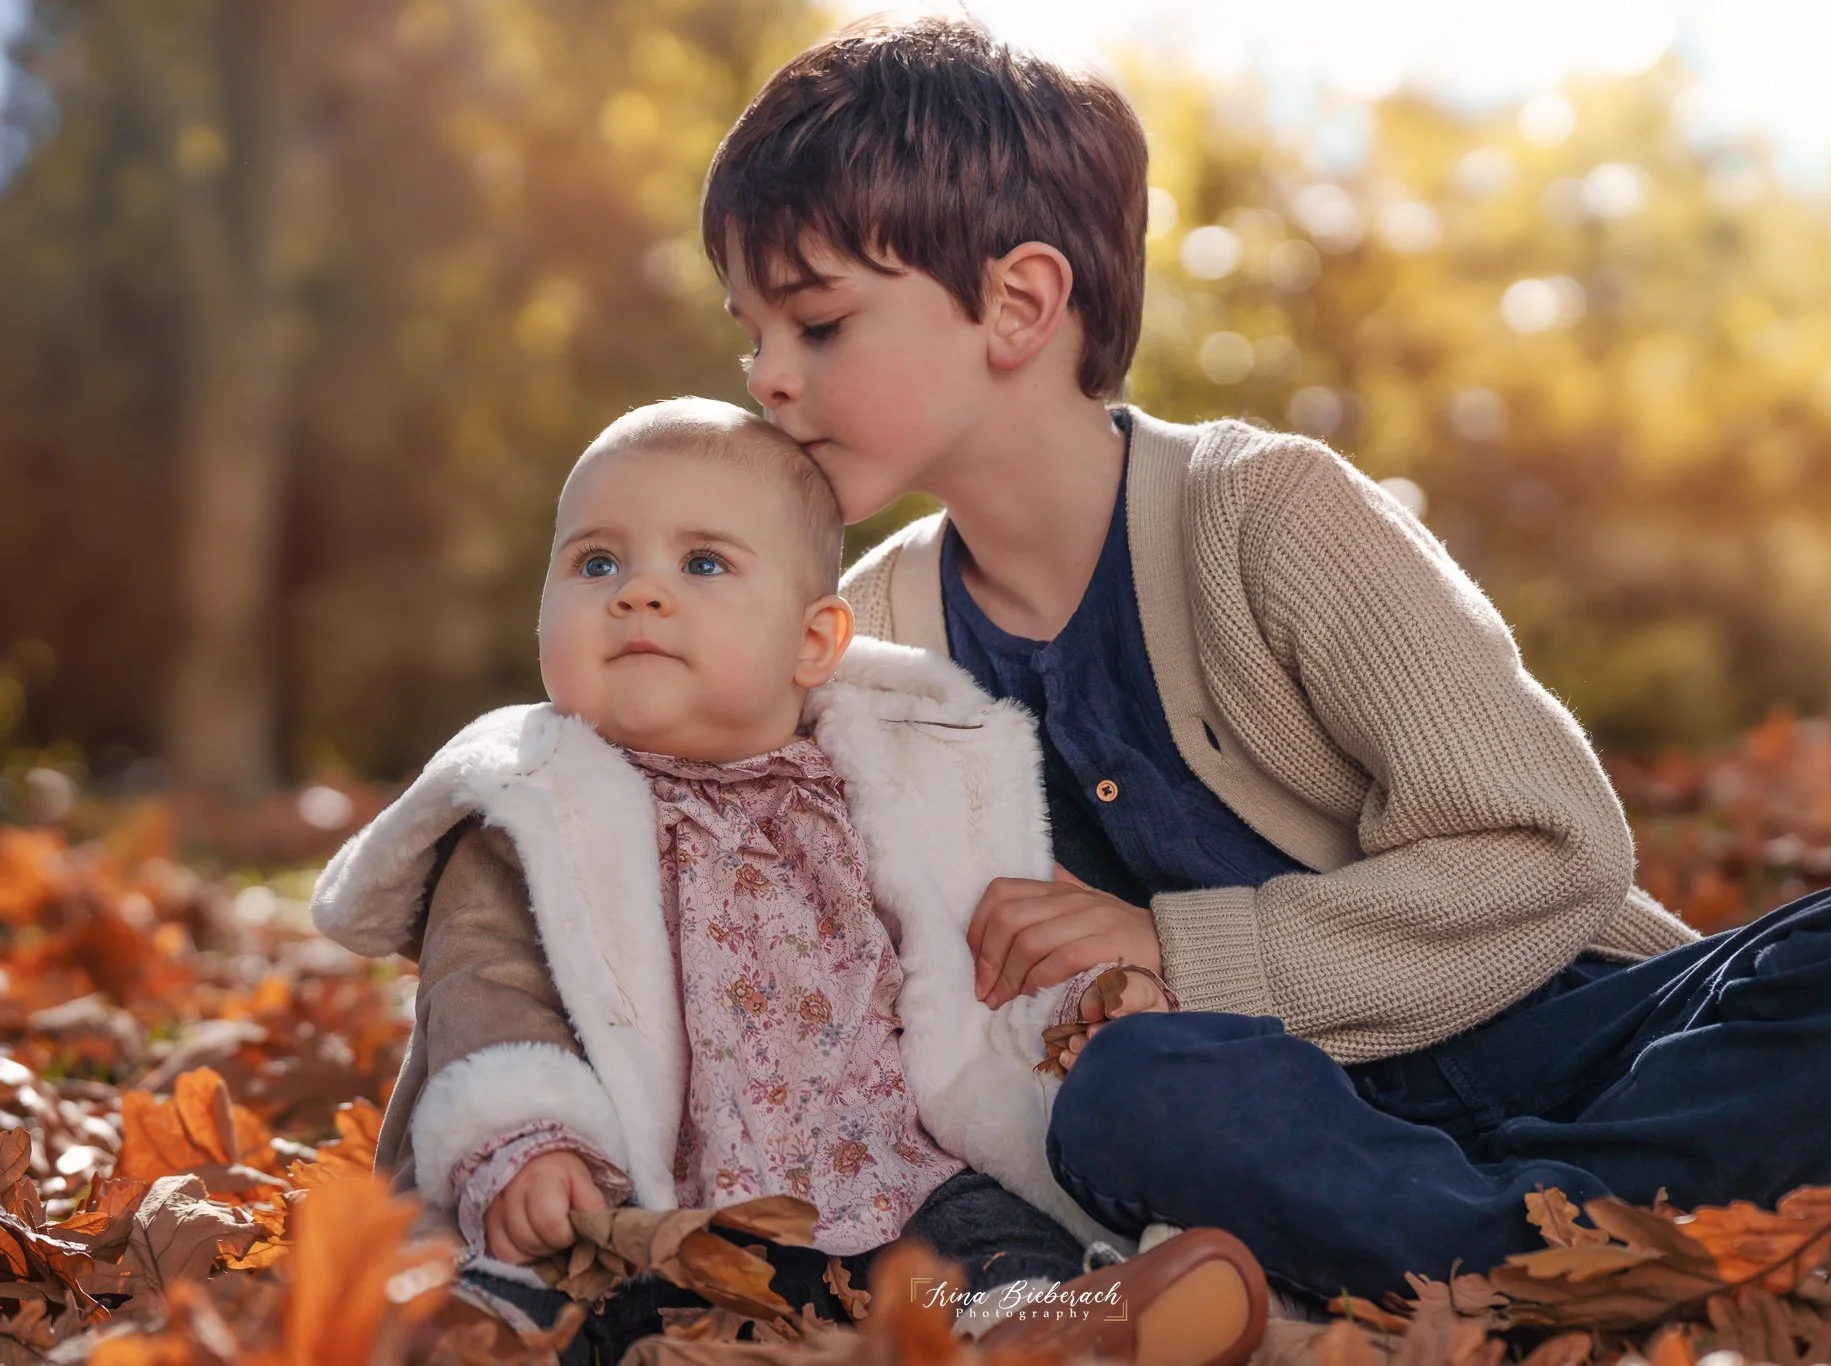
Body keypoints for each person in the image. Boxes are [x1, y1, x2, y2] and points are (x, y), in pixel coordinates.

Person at [702, 14, 1831, 1320]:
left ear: (1018, 304)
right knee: (1134, 1096)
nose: (768, 378)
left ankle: (1495, 1260)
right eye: (751, 334)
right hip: (1283, 1125)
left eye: (816, 324)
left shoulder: (1265, 511)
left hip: (1561, 1042)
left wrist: (1177, 946)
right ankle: (1620, 1262)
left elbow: (1550, 846)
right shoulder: (864, 638)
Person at [310, 398, 1268, 1366]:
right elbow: (483, 985)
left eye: (702, 563)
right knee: (567, 1281)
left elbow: (979, 957)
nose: (638, 593)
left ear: (813, 642)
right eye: (596, 563)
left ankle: (1045, 1326)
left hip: (893, 1179)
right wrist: (531, 1139)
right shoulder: (533, 808)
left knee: (987, 1245)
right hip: (661, 1202)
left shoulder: (889, 784)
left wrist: (1084, 1002)